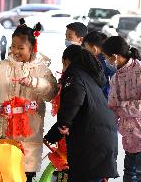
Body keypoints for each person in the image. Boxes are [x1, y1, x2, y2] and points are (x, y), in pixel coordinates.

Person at [0, 18, 58, 182]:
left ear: (32, 48)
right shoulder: (2, 66)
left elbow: (51, 92)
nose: (15, 51)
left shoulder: (41, 69)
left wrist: (34, 82)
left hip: (28, 136)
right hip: (1, 130)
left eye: (20, 47)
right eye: (13, 46)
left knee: (22, 175)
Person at [44, 45, 119, 182]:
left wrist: (63, 124)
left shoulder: (74, 75)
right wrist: (53, 134)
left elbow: (73, 103)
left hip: (91, 143)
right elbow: (77, 112)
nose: (63, 69)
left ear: (67, 62)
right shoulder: (89, 78)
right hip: (100, 140)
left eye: (63, 64)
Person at [102, 36, 141, 182]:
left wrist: (122, 107)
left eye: (107, 57)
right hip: (128, 138)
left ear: (115, 56)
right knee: (129, 175)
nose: (107, 61)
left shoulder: (139, 70)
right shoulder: (116, 77)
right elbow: (112, 107)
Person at [83, 31, 115, 99]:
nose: (84, 52)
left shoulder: (99, 63)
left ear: (94, 49)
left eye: (86, 48)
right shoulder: (111, 59)